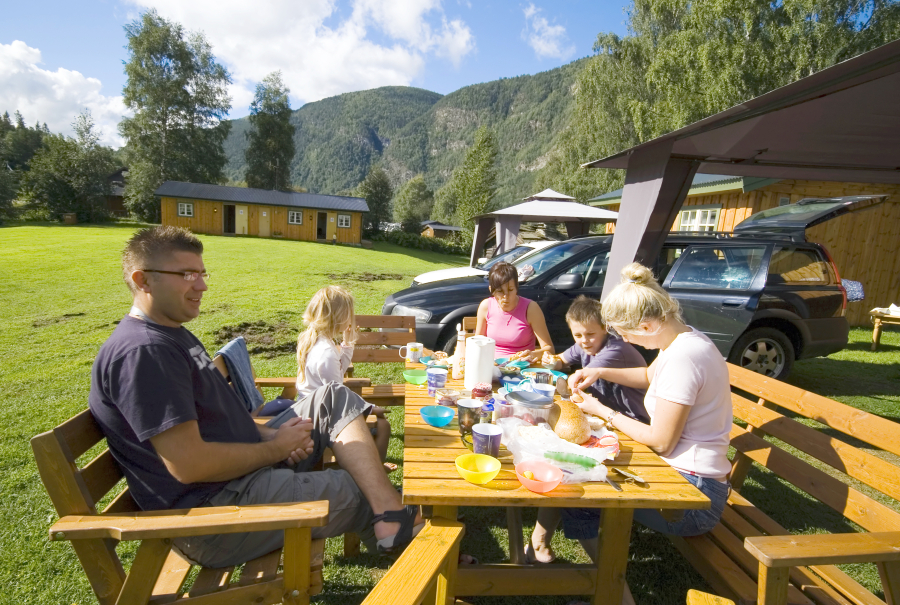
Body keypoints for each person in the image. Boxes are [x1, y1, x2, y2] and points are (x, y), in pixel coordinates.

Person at [88, 226, 422, 568]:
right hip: (212, 514)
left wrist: (274, 435)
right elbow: (189, 465)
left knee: (333, 395)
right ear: (143, 280)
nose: (202, 285)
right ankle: (405, 541)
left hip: (239, 476)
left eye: (202, 273)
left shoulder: (172, 335)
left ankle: (389, 518)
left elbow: (217, 423)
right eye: (187, 274)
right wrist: (276, 448)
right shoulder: (144, 353)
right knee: (355, 487)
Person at [557, 262, 732, 562]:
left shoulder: (683, 358)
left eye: (626, 334)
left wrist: (601, 410)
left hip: (692, 498)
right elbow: (650, 377)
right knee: (578, 465)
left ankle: (611, 589)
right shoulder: (682, 340)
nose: (624, 340)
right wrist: (599, 372)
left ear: (648, 326)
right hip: (689, 479)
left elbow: (661, 442)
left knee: (578, 492)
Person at [527, 295, 649, 563]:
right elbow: (560, 359)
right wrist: (551, 360)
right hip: (608, 422)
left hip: (634, 425)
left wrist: (566, 381)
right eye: (578, 334)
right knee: (561, 466)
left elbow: (582, 379)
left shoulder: (613, 351)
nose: (584, 341)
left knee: (574, 472)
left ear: (606, 328)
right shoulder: (584, 345)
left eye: (591, 334)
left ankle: (602, 568)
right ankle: (539, 540)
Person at [295, 285, 390, 462]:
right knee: (383, 425)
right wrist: (369, 407)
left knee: (379, 420)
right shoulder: (326, 352)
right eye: (349, 314)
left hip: (311, 410)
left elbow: (338, 374)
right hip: (318, 420)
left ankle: (372, 467)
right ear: (338, 317)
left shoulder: (316, 340)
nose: (352, 318)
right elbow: (339, 396)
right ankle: (373, 472)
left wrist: (347, 344)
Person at [475, 261, 553, 362]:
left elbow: (549, 349)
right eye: (500, 291)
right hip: (491, 366)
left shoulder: (531, 308)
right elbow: (477, 343)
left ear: (517, 288)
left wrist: (534, 354)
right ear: (491, 290)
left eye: (510, 290)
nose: (505, 297)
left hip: (520, 367)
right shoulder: (486, 306)